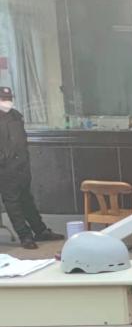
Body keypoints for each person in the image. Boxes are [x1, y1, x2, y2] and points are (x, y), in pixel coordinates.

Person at [0, 86, 64, 249]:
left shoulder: (16, 115)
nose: (7, 102)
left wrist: (24, 162)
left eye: (9, 98)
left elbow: (21, 141)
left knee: (27, 200)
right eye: (3, 99)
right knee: (13, 204)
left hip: (21, 166)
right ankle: (25, 236)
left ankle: (40, 230)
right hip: (5, 169)